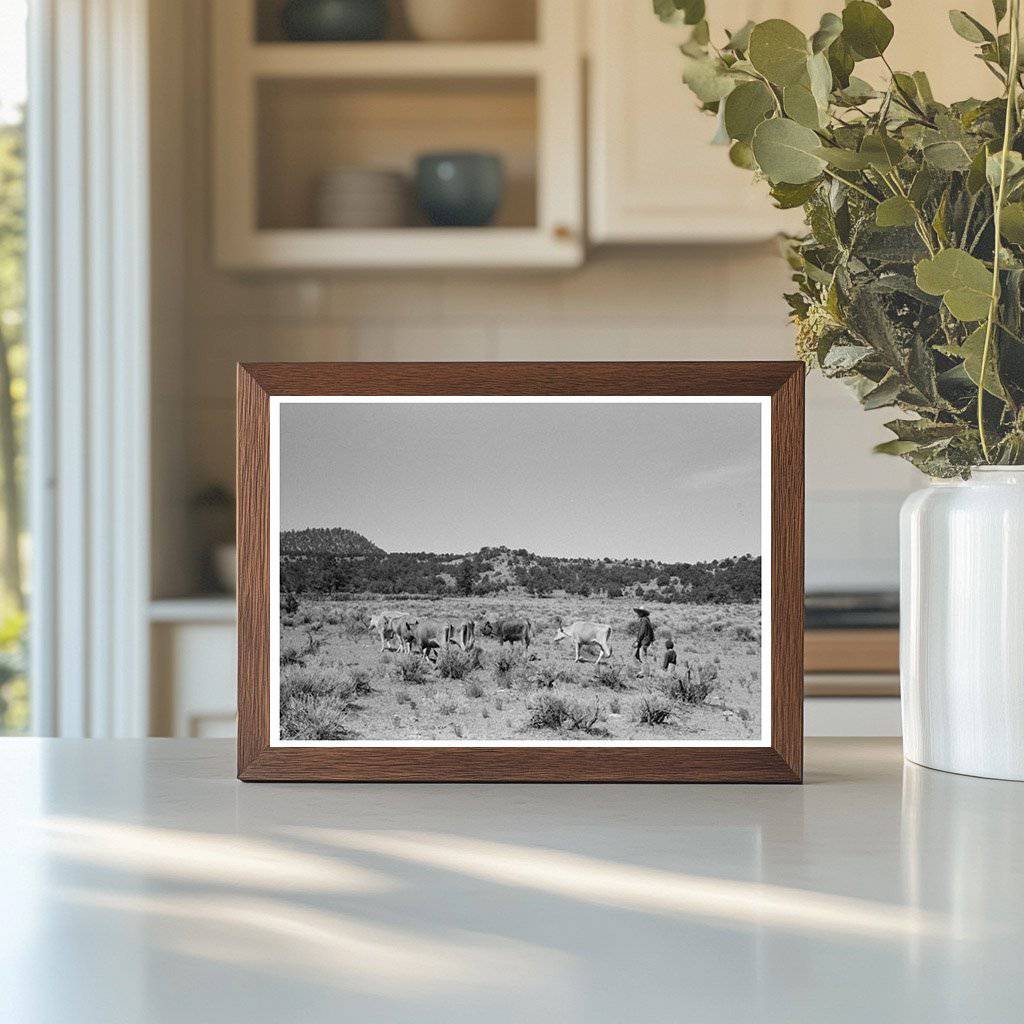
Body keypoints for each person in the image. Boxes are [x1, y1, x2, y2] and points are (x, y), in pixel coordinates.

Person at [632, 607, 654, 676]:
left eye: (639, 612)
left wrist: (638, 640)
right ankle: (642, 671)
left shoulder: (644, 620)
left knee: (642, 656)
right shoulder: (646, 620)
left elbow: (642, 631)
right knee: (637, 655)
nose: (638, 614)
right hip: (645, 640)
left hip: (644, 641)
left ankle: (645, 672)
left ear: (642, 613)